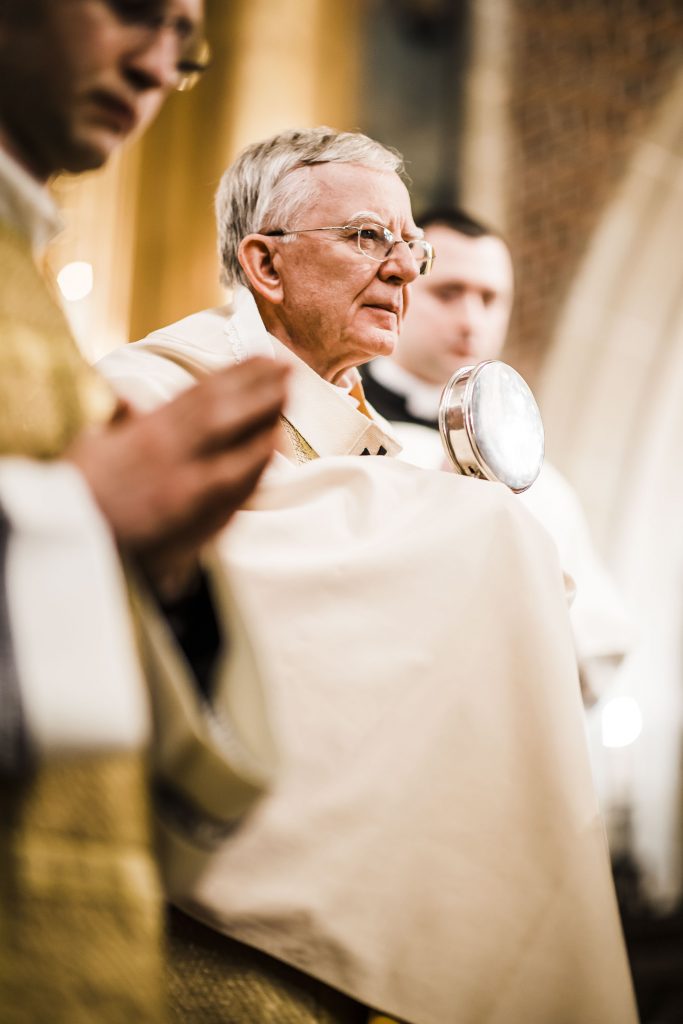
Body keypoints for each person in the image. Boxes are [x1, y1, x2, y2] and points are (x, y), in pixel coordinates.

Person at [100, 127, 638, 1024]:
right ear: (264, 265)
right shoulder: (153, 390)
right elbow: (178, 596)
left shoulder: (387, 447)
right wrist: (452, 530)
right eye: (366, 238)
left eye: (409, 246)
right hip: (196, 922)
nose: (402, 270)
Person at [0, 3, 289, 1021]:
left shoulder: (29, 278)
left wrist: (161, 568)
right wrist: (81, 513)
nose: (157, 65)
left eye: (186, 46)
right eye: (132, 11)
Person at [361, 207, 633, 705]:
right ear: (399, 288)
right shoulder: (341, 421)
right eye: (449, 293)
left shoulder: (542, 482)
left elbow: (596, 656)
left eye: (490, 300)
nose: (471, 321)